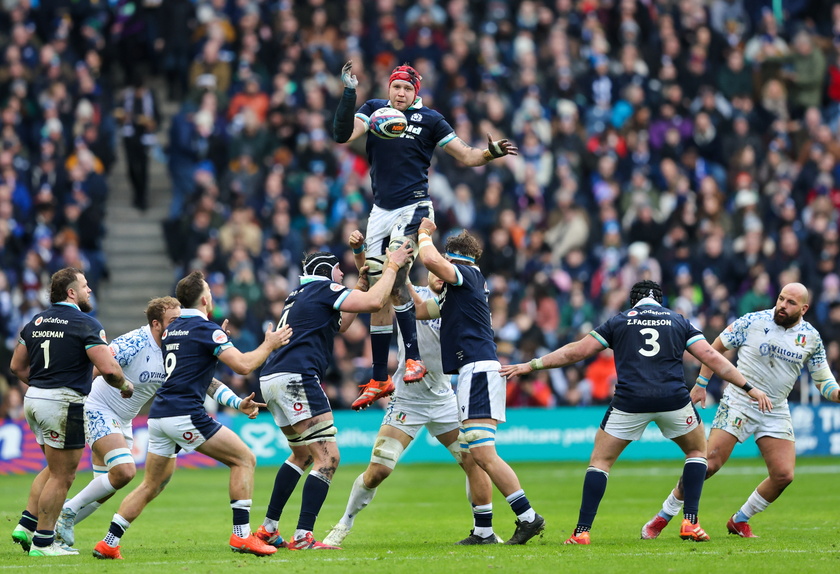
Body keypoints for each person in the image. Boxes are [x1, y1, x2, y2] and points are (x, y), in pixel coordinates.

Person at [501, 280, 772, 544]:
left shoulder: (619, 320)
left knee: (600, 462)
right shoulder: (677, 320)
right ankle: (691, 521)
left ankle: (581, 532)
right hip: (673, 400)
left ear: (634, 300)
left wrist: (533, 365)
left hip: (630, 401)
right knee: (697, 452)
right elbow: (712, 357)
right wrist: (749, 388)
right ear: (659, 299)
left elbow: (577, 351)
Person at [332, 60, 518, 411]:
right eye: (396, 86)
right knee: (376, 287)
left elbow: (466, 155)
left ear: (416, 92)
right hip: (380, 212)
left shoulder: (431, 120)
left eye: (407, 88)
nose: (400, 93)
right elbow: (342, 135)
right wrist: (349, 93)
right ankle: (379, 376)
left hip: (414, 208)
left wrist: (491, 153)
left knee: (398, 271)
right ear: (389, 87)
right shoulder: (373, 111)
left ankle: (413, 358)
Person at [91, 271, 292, 559]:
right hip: (185, 413)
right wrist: (269, 344)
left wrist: (235, 400)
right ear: (205, 299)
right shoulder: (206, 330)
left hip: (160, 416)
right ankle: (242, 536)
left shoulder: (174, 329)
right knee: (244, 459)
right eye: (209, 289)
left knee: (152, 484)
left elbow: (201, 372)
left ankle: (109, 542)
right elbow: (244, 366)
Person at [322, 231, 496, 547]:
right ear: (430, 272)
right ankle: (342, 525)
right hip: (408, 398)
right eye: (436, 269)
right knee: (378, 471)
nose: (440, 277)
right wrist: (362, 253)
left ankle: (483, 530)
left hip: (444, 398)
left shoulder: (459, 303)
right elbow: (378, 283)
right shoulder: (409, 294)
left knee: (475, 461)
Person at [55, 297, 268, 546]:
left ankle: (56, 534)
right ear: (156, 324)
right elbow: (96, 364)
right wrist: (71, 397)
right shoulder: (135, 341)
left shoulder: (176, 343)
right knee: (124, 471)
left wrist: (234, 400)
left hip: (126, 419)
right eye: (173, 321)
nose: (180, 324)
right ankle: (64, 513)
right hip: (98, 408)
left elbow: (207, 382)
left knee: (106, 487)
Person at [641, 282, 840, 539]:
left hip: (775, 408)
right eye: (780, 298)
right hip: (739, 401)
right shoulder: (753, 321)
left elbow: (823, 381)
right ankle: (662, 517)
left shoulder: (811, 337)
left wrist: (836, 393)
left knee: (783, 475)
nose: (782, 305)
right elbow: (715, 348)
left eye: (790, 303)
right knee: (709, 464)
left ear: (804, 308)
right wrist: (701, 383)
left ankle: (739, 520)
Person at [253, 240, 414, 550]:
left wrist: (362, 283)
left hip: (273, 377)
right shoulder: (323, 288)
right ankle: (303, 536)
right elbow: (374, 302)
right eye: (340, 272)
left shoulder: (298, 294)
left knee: (301, 455)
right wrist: (392, 264)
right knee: (329, 458)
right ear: (327, 271)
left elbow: (340, 325)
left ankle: (269, 528)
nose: (343, 276)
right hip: (297, 377)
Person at [413, 219, 545, 545]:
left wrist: (423, 234)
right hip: (472, 371)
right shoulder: (462, 287)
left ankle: (528, 517)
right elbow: (418, 310)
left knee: (482, 451)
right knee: (474, 451)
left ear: (453, 257)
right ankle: (484, 530)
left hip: (478, 369)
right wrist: (394, 273)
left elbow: (430, 259)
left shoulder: (466, 275)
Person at [10, 267, 129, 557]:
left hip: (34, 399)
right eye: (85, 285)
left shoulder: (35, 321)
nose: (89, 290)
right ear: (71, 292)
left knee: (54, 468)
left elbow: (16, 366)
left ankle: (27, 525)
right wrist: (125, 385)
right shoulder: (85, 323)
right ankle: (43, 542)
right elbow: (109, 369)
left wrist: (41, 386)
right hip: (63, 402)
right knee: (64, 475)